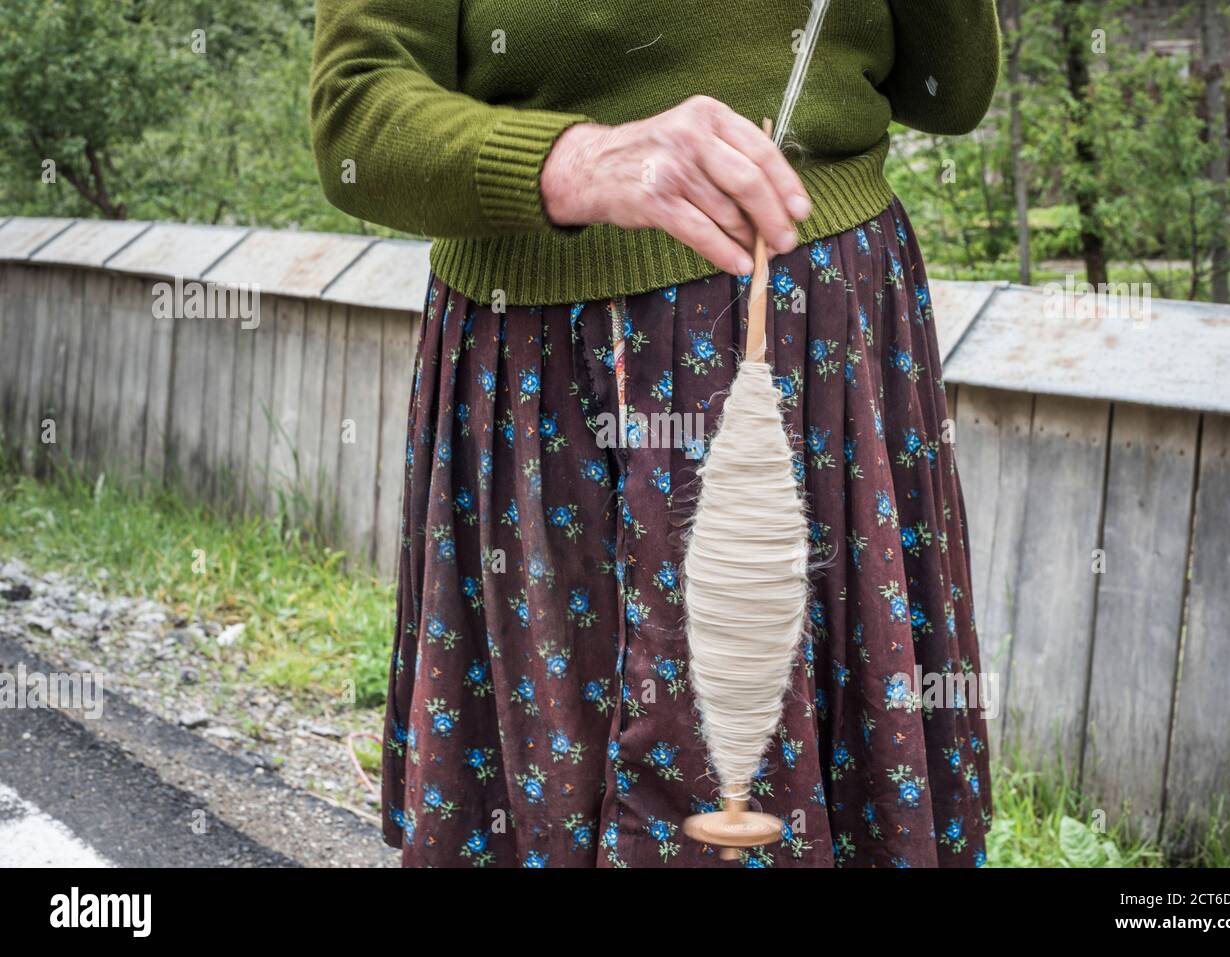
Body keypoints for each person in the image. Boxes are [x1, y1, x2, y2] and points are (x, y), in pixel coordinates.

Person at [311, 0, 1001, 868]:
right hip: (544, 372)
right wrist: (575, 161)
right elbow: (356, 114)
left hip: (818, 348)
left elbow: (948, 91)